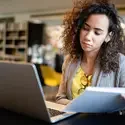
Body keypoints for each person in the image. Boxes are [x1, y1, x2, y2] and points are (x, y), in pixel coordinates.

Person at [56, 0, 125, 106]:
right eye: (85, 28)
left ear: (108, 36)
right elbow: (60, 97)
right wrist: (76, 105)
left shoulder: (121, 62)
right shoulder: (69, 60)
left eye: (97, 33)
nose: (88, 37)